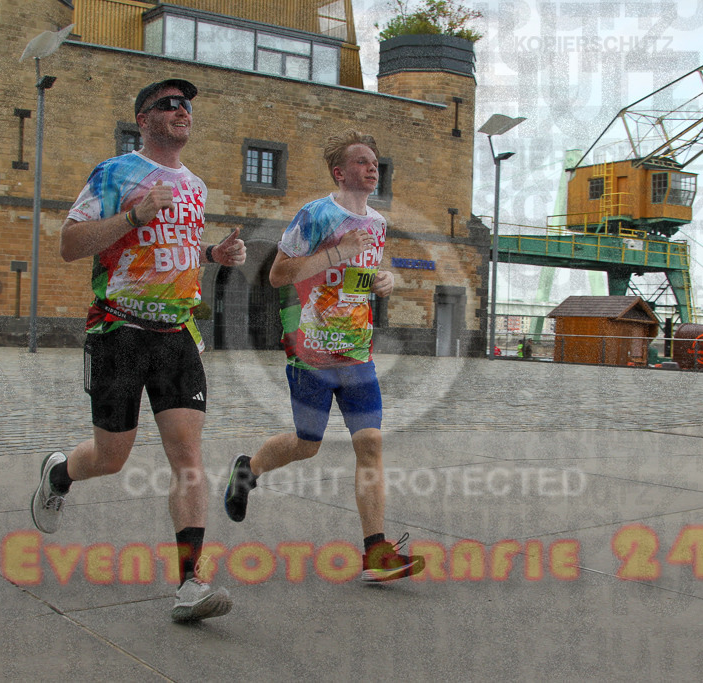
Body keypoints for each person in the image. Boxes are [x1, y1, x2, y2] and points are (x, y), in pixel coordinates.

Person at [29, 78, 246, 623]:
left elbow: (172, 249)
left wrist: (213, 253)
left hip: (176, 334)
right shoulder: (115, 173)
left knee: (188, 457)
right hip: (118, 330)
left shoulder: (194, 185)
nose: (182, 112)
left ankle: (190, 583)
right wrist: (133, 215)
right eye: (169, 105)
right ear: (144, 119)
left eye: (188, 105)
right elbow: (68, 245)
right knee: (111, 456)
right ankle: (60, 474)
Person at [222, 129, 424, 583]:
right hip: (310, 352)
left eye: (375, 163)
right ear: (339, 172)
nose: (371, 168)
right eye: (361, 162)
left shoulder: (377, 224)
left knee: (369, 443)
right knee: (306, 445)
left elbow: (358, 278)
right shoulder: (314, 215)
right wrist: (334, 252)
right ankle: (247, 470)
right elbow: (277, 275)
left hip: (356, 352)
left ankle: (376, 553)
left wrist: (381, 282)